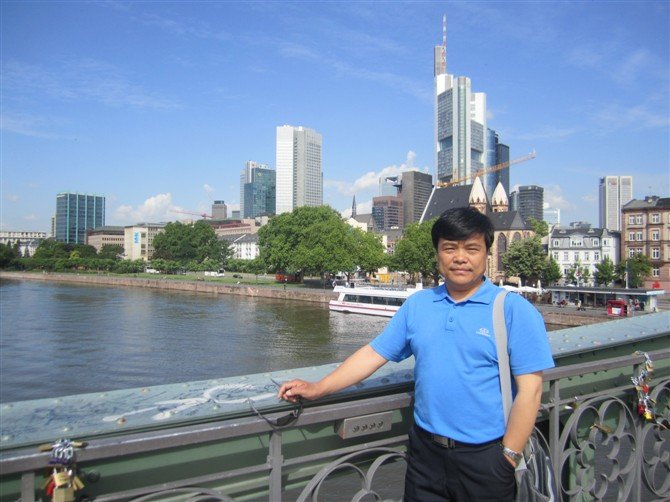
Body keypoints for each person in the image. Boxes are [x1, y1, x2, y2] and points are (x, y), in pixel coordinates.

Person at [278, 207, 555, 501]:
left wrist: (508, 457)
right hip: (425, 455)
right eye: (449, 248)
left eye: (472, 249)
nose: (460, 257)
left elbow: (531, 391)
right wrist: (319, 387)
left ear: (486, 253)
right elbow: (373, 354)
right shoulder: (418, 305)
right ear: (437, 254)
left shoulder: (513, 310)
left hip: (486, 457)